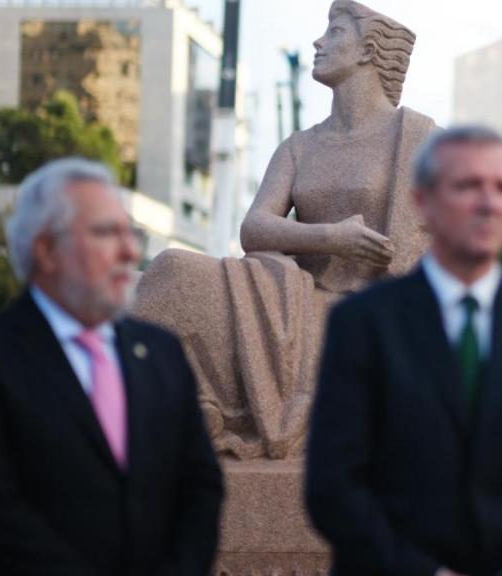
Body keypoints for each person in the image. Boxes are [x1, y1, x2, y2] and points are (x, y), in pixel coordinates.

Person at [133, 0, 437, 460]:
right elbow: (254, 229)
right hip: (288, 296)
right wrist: (330, 238)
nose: (319, 42)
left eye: (335, 32)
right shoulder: (300, 146)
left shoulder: (417, 139)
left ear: (367, 52)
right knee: (171, 270)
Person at [306, 126, 502, 576]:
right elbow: (333, 483)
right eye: (468, 185)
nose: (489, 202)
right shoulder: (363, 323)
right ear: (422, 202)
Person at [0, 158, 224, 575]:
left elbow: (201, 487)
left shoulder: (161, 352)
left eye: (131, 233)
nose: (130, 252)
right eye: (106, 233)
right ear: (46, 249)